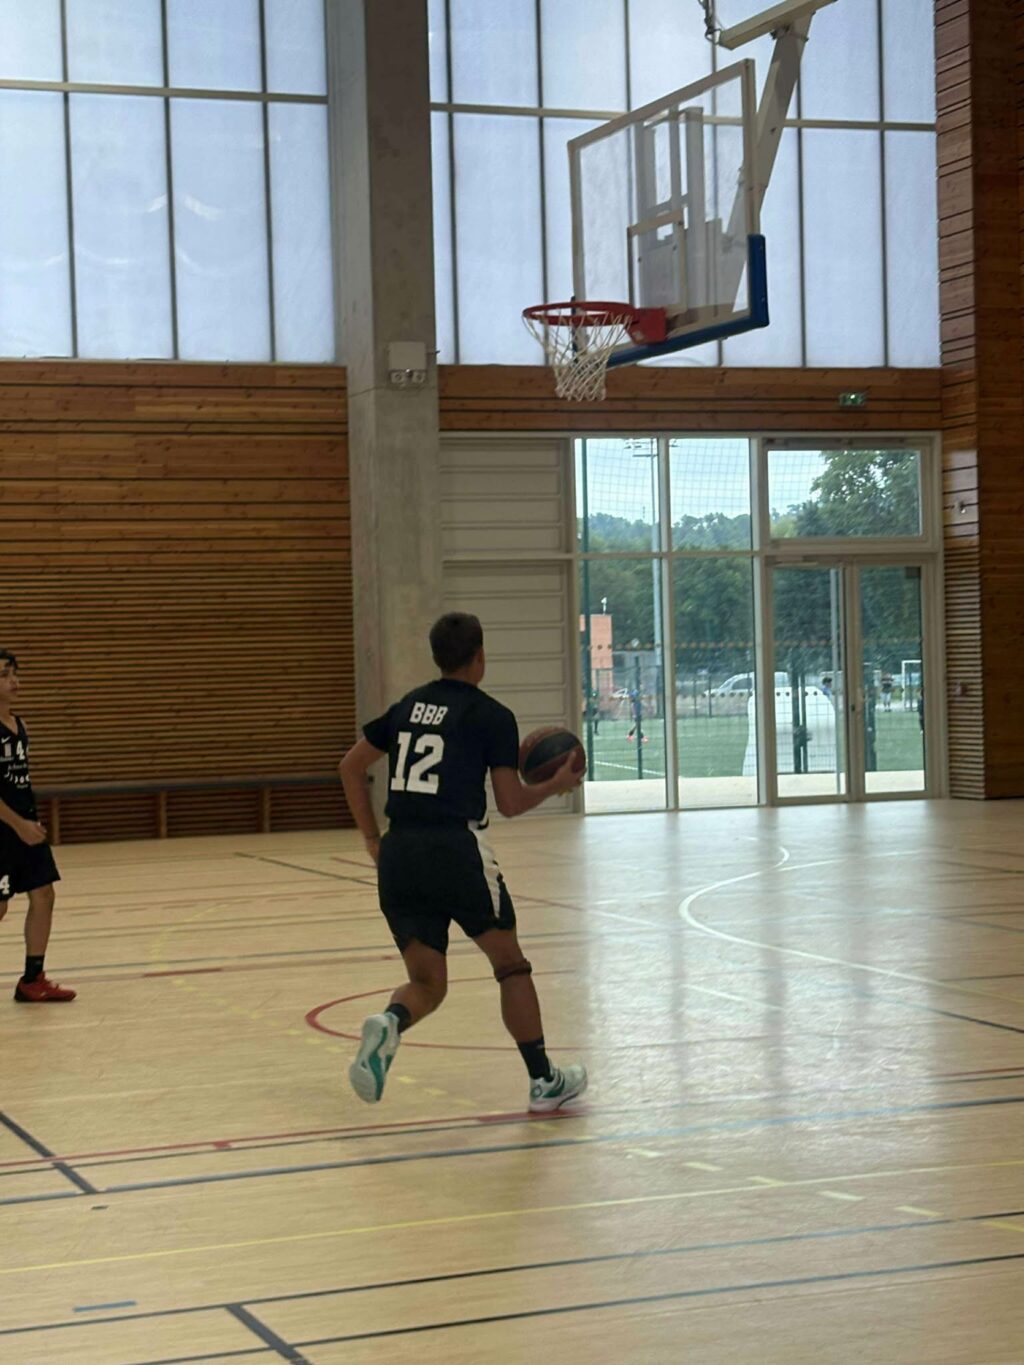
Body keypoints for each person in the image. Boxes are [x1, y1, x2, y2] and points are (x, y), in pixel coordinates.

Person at [338, 613, 587, 1113]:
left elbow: (350, 766)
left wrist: (371, 838)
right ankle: (544, 1082)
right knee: (510, 965)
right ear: (480, 656)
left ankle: (390, 1022)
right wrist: (554, 785)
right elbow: (510, 802)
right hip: (455, 849)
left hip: (399, 853)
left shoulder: (407, 706)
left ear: (436, 656)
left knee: (427, 983)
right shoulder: (491, 715)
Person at [0, 650, 75, 1003]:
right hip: (5, 828)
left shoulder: (21, 726)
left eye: (14, 673)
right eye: (4, 675)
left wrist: (30, 819)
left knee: (43, 894)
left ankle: (32, 979)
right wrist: (18, 825)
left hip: (24, 825)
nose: (13, 681)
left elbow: (20, 781)